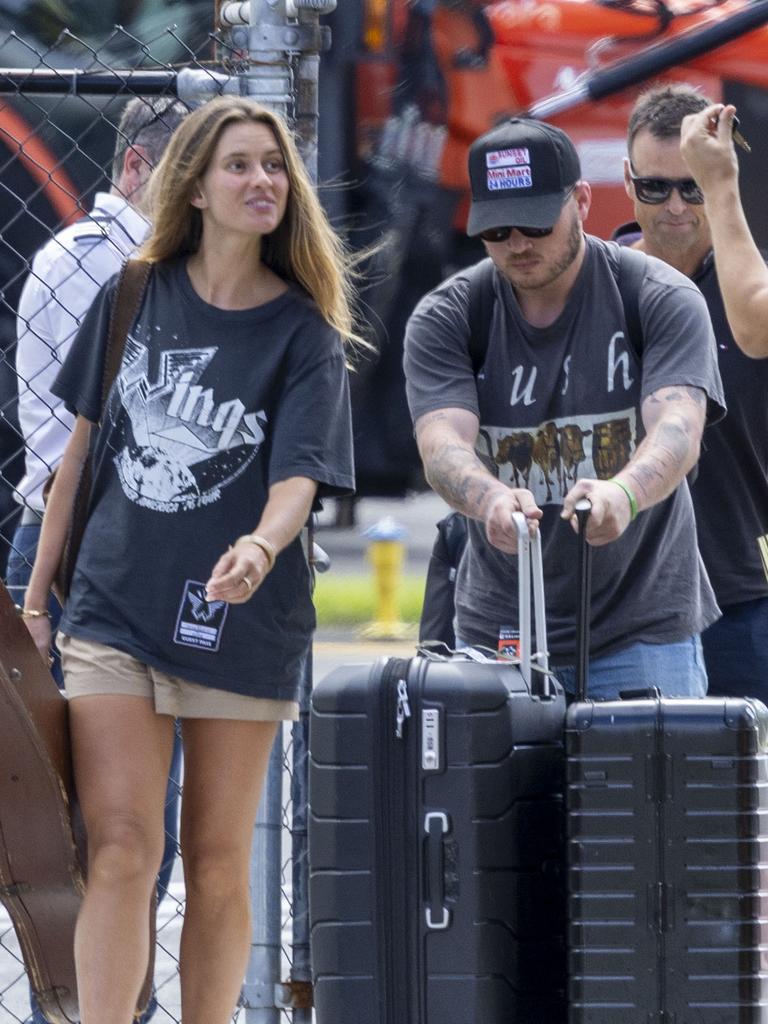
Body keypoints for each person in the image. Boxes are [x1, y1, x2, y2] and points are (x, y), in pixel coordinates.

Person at [21, 94, 355, 1024]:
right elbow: (77, 461)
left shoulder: (304, 332)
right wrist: (39, 595)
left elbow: (299, 476)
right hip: (113, 605)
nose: (263, 181)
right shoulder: (133, 292)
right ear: (195, 187)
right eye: (240, 165)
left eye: (274, 166)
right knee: (121, 844)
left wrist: (259, 544)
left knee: (214, 859)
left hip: (241, 614)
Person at [404, 116, 725, 698]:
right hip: (499, 631)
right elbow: (441, 443)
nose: (518, 244)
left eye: (534, 223)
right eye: (496, 231)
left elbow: (679, 427)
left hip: (643, 632)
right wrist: (492, 499)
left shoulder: (658, 296)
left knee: (648, 792)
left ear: (581, 201)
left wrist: (622, 494)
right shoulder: (449, 315)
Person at [8, 94, 187, 1024]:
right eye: (188, 176)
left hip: (127, 552)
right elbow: (108, 440)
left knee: (132, 835)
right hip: (77, 550)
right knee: (86, 840)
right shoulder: (98, 261)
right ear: (135, 171)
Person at [613, 84, 768, 700]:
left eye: (692, 186)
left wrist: (723, 184)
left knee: (748, 791)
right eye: (656, 187)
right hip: (628, 600)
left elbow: (753, 325)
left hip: (743, 592)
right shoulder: (600, 283)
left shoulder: (749, 286)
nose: (676, 205)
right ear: (627, 181)